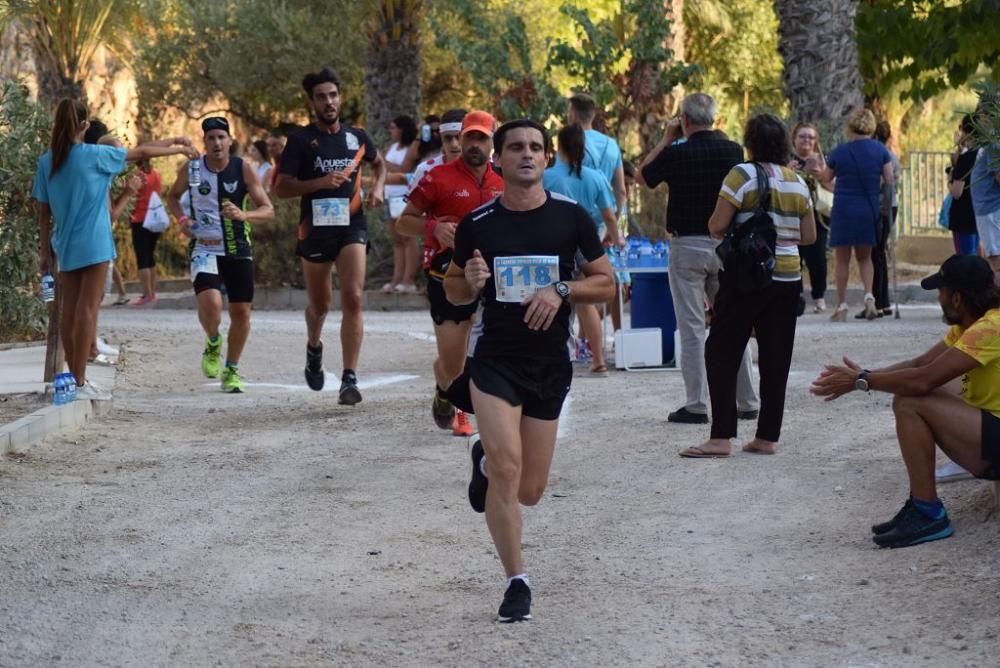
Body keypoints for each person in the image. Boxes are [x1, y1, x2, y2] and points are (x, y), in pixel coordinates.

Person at [443, 119, 615, 622]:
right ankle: (516, 581)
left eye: (535, 148)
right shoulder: (478, 223)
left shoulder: (571, 218)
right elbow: (453, 288)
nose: (526, 154)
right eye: (515, 147)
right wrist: (469, 281)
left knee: (530, 490)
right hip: (494, 358)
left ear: (547, 160)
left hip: (549, 363)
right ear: (498, 159)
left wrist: (561, 289)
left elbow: (606, 284)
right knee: (507, 467)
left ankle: (481, 462)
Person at [811, 254, 1000, 548]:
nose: (939, 298)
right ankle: (923, 507)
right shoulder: (973, 326)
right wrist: (862, 376)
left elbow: (921, 379)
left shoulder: (990, 329)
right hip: (990, 430)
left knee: (910, 401)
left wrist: (862, 381)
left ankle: (928, 512)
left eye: (941, 291)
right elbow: (921, 362)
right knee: (934, 384)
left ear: (958, 298)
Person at [33, 98, 196, 400]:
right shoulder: (95, 155)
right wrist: (179, 149)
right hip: (95, 243)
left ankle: (69, 378)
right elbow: (143, 152)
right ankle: (80, 382)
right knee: (86, 308)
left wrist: (44, 253)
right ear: (84, 126)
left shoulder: (47, 161)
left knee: (69, 310)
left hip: (65, 245)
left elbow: (43, 214)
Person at [682, 114, 816, 458]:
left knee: (721, 350)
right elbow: (810, 236)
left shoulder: (741, 175)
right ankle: (767, 437)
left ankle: (721, 437)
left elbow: (716, 225)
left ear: (751, 142)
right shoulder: (798, 182)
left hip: (746, 278)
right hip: (787, 278)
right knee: (776, 357)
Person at [636, 92, 759, 425]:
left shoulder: (677, 153)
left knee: (691, 327)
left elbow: (642, 176)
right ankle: (747, 400)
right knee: (734, 322)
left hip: (687, 245)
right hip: (725, 246)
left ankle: (696, 403)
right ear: (715, 120)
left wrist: (665, 139)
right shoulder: (733, 150)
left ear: (684, 120)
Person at [274, 67, 386, 405]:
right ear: (312, 102)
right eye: (321, 97)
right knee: (320, 304)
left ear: (341, 97)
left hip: (352, 225)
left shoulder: (358, 138)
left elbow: (380, 165)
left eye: (333, 95)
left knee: (352, 296)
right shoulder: (299, 141)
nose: (329, 101)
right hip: (315, 229)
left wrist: (378, 188)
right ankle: (314, 346)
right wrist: (319, 183)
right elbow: (281, 188)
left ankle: (349, 377)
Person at [397, 110, 503, 436]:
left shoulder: (506, 180)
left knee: (497, 351)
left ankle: (471, 414)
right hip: (447, 275)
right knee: (453, 364)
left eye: (479, 138)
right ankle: (445, 390)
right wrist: (434, 227)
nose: (470, 144)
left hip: (495, 276)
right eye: (466, 137)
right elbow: (404, 221)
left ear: (492, 143)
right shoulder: (437, 177)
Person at [167, 117, 274, 393]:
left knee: (241, 313)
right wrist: (182, 222)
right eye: (211, 138)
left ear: (229, 141)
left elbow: (268, 209)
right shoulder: (191, 168)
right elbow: (173, 197)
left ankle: (232, 369)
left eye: (221, 137)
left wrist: (244, 214)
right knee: (212, 305)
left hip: (238, 247)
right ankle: (213, 340)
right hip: (204, 246)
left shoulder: (243, 169)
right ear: (204, 142)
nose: (216, 143)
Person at [543, 123, 621, 375]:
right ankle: (598, 361)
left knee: (551, 297)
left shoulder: (547, 176)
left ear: (558, 146)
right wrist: (614, 237)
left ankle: (554, 356)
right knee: (585, 301)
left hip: (552, 244)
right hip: (586, 244)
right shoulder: (595, 177)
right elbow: (609, 215)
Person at [809, 108, 895, 321]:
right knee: (865, 258)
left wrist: (820, 173)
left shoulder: (840, 151)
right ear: (871, 127)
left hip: (844, 209)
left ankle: (842, 305)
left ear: (850, 126)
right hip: (869, 208)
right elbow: (890, 179)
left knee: (842, 260)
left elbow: (827, 178)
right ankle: (869, 297)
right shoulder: (881, 151)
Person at [788, 122, 830, 313]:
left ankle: (819, 297)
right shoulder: (786, 160)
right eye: (803, 136)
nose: (807, 140)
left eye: (811, 137)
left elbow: (836, 187)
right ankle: (795, 296)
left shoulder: (823, 160)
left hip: (816, 217)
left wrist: (821, 175)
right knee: (794, 258)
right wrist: (788, 171)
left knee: (818, 259)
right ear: (794, 139)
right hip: (790, 216)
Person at [566, 92, 627, 217]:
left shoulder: (569, 143)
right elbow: (621, 191)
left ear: (572, 115)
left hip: (575, 217)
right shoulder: (612, 145)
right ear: (592, 116)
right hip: (604, 219)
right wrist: (614, 223)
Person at [382, 114, 420, 294]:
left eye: (393, 127)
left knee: (408, 238)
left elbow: (404, 170)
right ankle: (396, 279)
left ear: (402, 129)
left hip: (405, 196)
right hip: (390, 196)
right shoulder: (393, 147)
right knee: (397, 240)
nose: (391, 131)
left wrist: (384, 163)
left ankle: (409, 280)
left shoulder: (412, 147)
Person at [865, 121, 899, 318]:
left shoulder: (879, 155)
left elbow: (882, 184)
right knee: (878, 254)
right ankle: (883, 301)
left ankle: (880, 301)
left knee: (875, 254)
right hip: (891, 205)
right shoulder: (891, 155)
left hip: (881, 207)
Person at [127, 158, 164, 306]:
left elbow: (131, 196)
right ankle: (152, 292)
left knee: (142, 258)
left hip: (139, 219)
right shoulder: (156, 174)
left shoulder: (137, 176)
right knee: (150, 256)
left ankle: (146, 294)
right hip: (154, 220)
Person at [970, 99, 1000, 278]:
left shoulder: (994, 141)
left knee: (996, 262)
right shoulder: (991, 141)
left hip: (991, 210)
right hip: (988, 209)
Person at [949, 115, 980, 256]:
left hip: (964, 217)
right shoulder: (984, 154)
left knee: (966, 261)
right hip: (980, 216)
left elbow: (957, 192)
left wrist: (949, 179)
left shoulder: (966, 158)